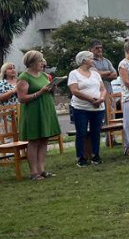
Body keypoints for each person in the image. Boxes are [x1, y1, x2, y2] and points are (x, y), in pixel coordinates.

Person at [17, 50, 62, 180]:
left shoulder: (44, 76)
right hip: (33, 111)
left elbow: (48, 91)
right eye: (40, 61)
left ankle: (42, 169)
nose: (43, 63)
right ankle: (34, 172)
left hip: (46, 109)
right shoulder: (24, 77)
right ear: (31, 62)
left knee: (44, 139)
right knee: (34, 141)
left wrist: (52, 89)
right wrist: (39, 93)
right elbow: (22, 98)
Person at [68, 50, 106, 166]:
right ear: (84, 60)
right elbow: (74, 90)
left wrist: (101, 98)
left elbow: (102, 89)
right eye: (91, 58)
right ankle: (81, 157)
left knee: (96, 132)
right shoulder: (74, 73)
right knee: (82, 132)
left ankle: (96, 155)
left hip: (98, 107)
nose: (93, 60)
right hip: (81, 108)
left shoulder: (95, 73)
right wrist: (90, 99)